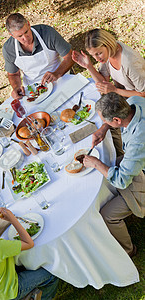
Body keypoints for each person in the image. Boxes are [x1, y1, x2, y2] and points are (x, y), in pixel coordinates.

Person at [83, 92, 145, 257]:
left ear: (117, 120)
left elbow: (122, 180)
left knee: (107, 216)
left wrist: (96, 163)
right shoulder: (134, 102)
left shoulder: (138, 141)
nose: (103, 123)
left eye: (105, 121)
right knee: (110, 164)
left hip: (142, 175)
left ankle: (129, 251)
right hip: (137, 162)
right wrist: (103, 128)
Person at [3, 13, 74, 99]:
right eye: (20, 36)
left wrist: (57, 73)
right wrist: (16, 87)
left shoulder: (47, 33)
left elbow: (69, 56)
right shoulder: (9, 48)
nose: (25, 38)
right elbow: (13, 74)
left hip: (61, 78)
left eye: (26, 32)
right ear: (12, 35)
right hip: (33, 90)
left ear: (28, 24)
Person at [72, 28, 145, 98]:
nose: (96, 59)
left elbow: (143, 94)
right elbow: (103, 83)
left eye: (99, 53)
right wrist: (89, 66)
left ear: (107, 44)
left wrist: (115, 90)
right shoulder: (108, 54)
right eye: (93, 55)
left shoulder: (130, 62)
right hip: (124, 97)